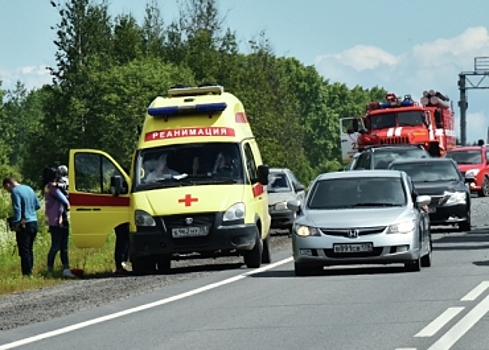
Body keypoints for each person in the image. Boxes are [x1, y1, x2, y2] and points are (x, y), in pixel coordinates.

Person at [2, 177, 41, 277]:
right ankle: (30, 271)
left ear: (8, 185)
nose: (8, 191)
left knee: (24, 251)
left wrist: (15, 224)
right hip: (34, 222)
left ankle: (27, 274)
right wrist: (29, 211)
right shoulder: (29, 188)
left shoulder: (15, 191)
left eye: (7, 189)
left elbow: (17, 209)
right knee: (30, 249)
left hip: (24, 224)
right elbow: (38, 205)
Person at [44, 171, 76, 279]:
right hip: (59, 220)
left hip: (53, 220)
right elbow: (65, 201)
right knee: (59, 246)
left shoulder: (47, 187)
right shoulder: (53, 188)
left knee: (58, 246)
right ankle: (57, 270)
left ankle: (54, 269)